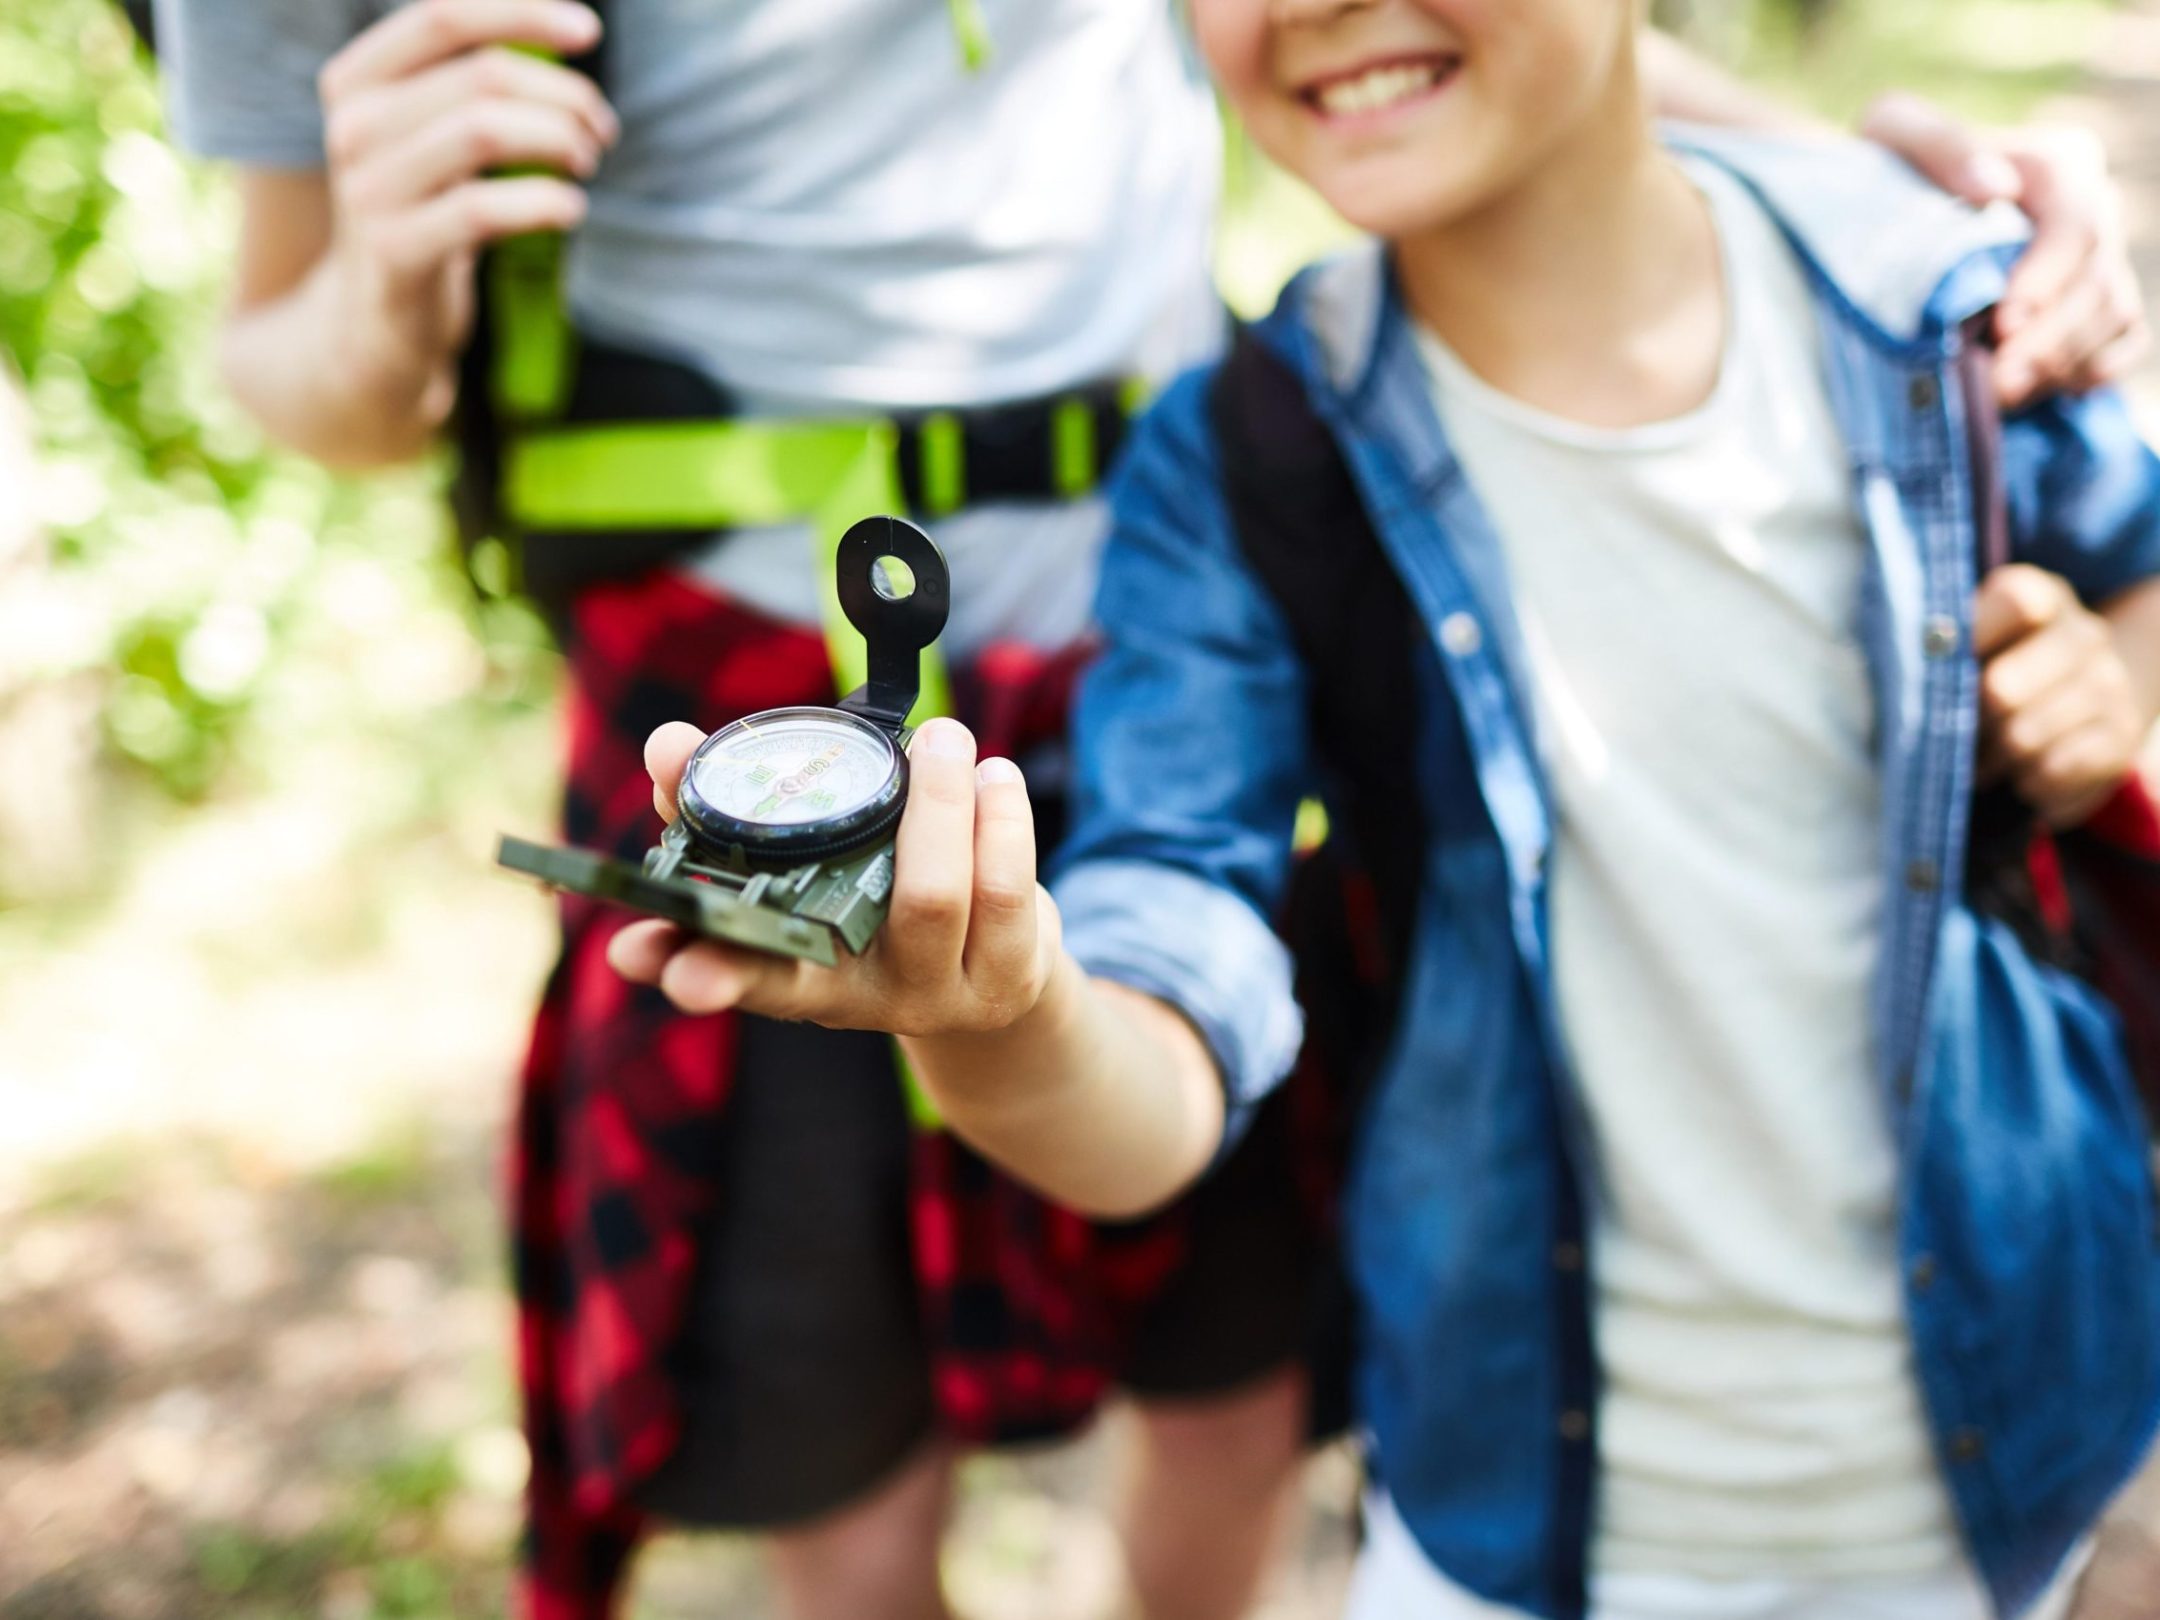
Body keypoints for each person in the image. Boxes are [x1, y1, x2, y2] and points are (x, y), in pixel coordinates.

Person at [152, 0, 2149, 1615]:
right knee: (838, 1464)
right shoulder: (1279, 462)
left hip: (1165, 641)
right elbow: (298, 352)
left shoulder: (1900, 322)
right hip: (758, 683)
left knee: (1232, 1392)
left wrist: (1879, 197)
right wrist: (1015, 1016)